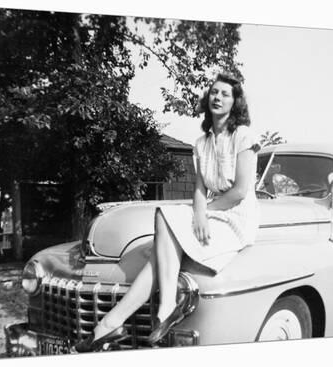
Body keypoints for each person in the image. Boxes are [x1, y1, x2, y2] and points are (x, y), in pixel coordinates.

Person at [75, 72, 260, 352]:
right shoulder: (201, 143)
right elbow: (199, 188)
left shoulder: (244, 136)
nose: (217, 97)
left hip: (236, 218)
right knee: (162, 235)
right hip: (212, 212)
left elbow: (240, 191)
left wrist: (203, 214)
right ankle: (115, 322)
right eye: (214, 92)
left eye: (225, 94)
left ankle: (123, 321)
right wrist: (199, 212)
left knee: (163, 240)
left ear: (235, 102)